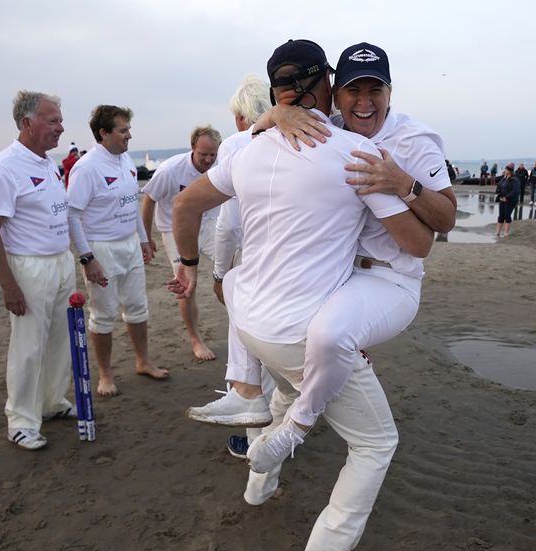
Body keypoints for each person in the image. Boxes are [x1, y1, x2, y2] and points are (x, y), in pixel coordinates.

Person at [170, 38, 434, 551]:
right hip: (299, 330)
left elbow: (185, 207)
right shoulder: (350, 154)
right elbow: (418, 243)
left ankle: (259, 481)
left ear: (277, 93)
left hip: (250, 326)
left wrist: (188, 268)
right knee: (374, 442)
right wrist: (391, 185)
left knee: (290, 391)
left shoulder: (245, 147)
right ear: (326, 87)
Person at [194, 41, 457, 468]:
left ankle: (297, 425)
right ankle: (250, 408)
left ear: (391, 93)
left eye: (376, 91)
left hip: (388, 275)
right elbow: (257, 137)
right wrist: (278, 113)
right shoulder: (329, 126)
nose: (364, 102)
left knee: (328, 339)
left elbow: (443, 222)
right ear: (335, 91)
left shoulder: (415, 139)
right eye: (354, 90)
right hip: (341, 276)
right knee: (247, 283)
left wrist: (404, 184)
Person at [184, 74, 275, 459]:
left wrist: (220, 274)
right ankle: (280, 434)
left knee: (255, 345)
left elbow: (228, 224)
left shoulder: (239, 145)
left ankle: (252, 440)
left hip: (258, 265)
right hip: (309, 266)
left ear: (241, 115)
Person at [0, 91, 75, 451]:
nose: (60, 128)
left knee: (59, 340)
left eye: (59, 120)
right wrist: (8, 285)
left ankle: (52, 402)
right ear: (26, 123)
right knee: (29, 346)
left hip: (59, 261)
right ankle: (21, 420)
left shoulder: (48, 163)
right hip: (29, 266)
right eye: (52, 121)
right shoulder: (4, 167)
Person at [66, 104, 168, 396]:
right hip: (101, 248)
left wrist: (144, 239)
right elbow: (72, 215)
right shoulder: (87, 168)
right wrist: (87, 259)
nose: (129, 136)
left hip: (129, 245)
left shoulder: (125, 161)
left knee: (137, 307)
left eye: (128, 130)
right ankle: (106, 375)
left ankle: (143, 361)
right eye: (123, 130)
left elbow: (131, 203)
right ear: (104, 133)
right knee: (104, 313)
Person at [140, 125, 222, 361]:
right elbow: (149, 200)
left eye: (212, 155)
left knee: (232, 267)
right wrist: (146, 238)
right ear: (192, 149)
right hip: (174, 228)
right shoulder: (170, 170)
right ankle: (195, 339)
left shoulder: (220, 164)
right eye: (203, 154)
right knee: (186, 284)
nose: (208, 160)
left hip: (208, 222)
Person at [496, 163, 519, 237]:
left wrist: (506, 197)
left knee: (507, 216)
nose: (505, 170)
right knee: (501, 216)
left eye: (506, 169)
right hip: (502, 199)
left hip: (510, 200)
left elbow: (515, 191)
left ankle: (506, 232)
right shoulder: (504, 178)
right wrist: (499, 194)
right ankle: (498, 232)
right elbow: (499, 186)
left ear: (509, 171)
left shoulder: (515, 179)